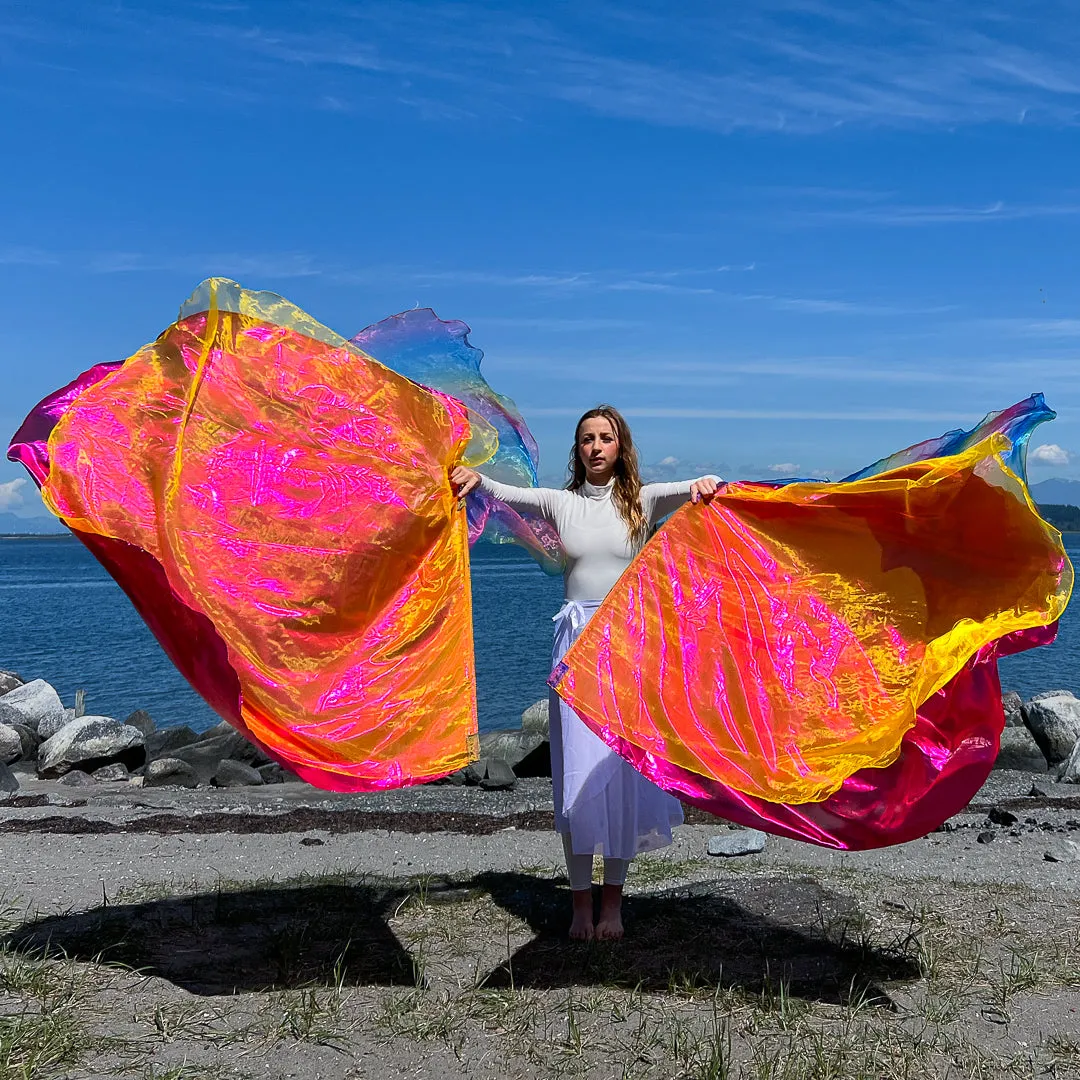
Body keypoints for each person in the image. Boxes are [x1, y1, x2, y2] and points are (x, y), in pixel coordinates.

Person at [451, 404, 718, 940]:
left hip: (626, 645)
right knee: (575, 770)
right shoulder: (560, 502)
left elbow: (696, 488)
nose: (596, 447)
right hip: (574, 646)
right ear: (577, 450)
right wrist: (476, 477)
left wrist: (709, 482)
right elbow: (505, 494)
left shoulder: (642, 500)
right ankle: (579, 904)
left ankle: (613, 904)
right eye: (587, 439)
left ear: (621, 446)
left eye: (605, 437)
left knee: (618, 773)